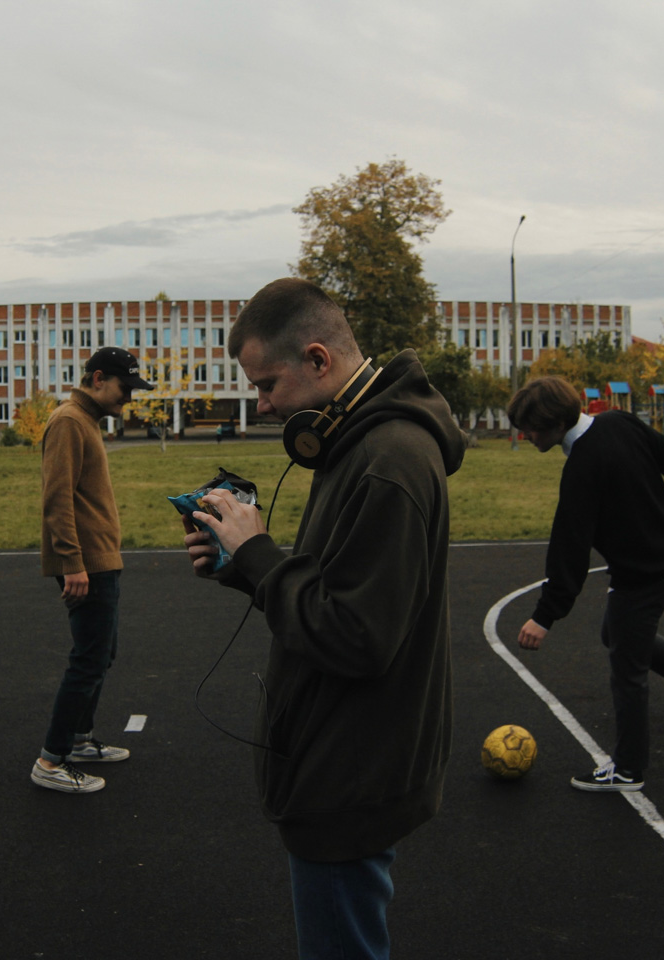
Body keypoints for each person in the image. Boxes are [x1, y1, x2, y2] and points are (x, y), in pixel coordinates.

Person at [181, 278, 464, 959]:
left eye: (268, 384)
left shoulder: (386, 459)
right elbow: (335, 594)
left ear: (317, 360)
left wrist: (258, 553)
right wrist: (246, 567)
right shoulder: (357, 442)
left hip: (349, 769)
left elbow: (357, 637)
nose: (264, 404)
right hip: (346, 754)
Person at [508, 375, 664, 793]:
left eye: (532, 427)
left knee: (627, 670)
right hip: (662, 554)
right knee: (616, 633)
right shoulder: (619, 422)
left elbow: (569, 549)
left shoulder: (582, 467)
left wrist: (545, 616)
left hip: (645, 571)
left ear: (556, 423)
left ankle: (628, 769)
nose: (527, 434)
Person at [31, 347, 154, 793]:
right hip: (86, 564)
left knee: (102, 654)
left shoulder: (85, 421)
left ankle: (79, 740)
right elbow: (56, 498)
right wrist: (72, 564)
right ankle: (51, 760)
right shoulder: (68, 421)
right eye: (125, 388)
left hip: (100, 559)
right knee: (88, 661)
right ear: (99, 378)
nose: (128, 399)